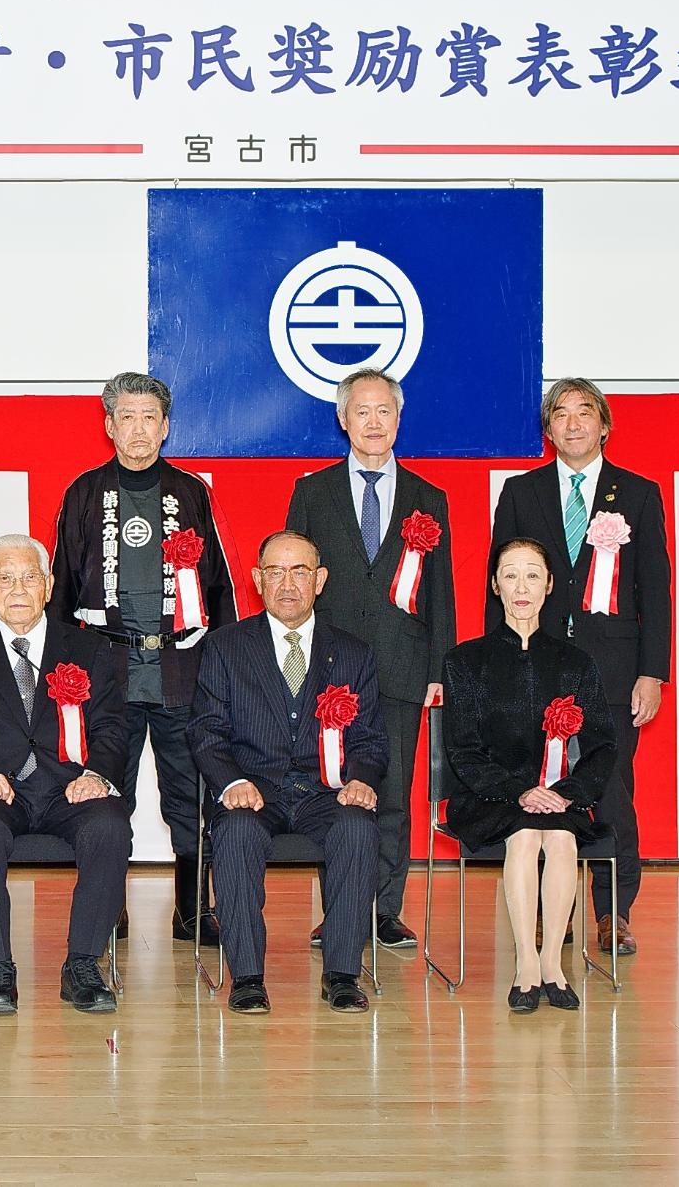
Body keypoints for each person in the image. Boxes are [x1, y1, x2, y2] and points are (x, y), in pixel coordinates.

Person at [489, 376, 670, 957]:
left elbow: (654, 591)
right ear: (547, 430)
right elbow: (499, 584)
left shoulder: (637, 494)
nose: (572, 423)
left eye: (584, 412)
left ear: (604, 425)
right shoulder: (521, 492)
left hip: (615, 670)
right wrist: (499, 664)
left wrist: (653, 672)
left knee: (611, 789)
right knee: (541, 786)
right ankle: (551, 910)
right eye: (559, 414)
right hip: (535, 666)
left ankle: (612, 914)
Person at [52, 371, 234, 943]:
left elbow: (219, 587)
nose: (137, 429)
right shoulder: (82, 493)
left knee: (190, 790)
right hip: (105, 672)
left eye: (148, 417)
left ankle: (191, 907)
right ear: (108, 426)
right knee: (106, 787)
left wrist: (226, 670)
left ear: (166, 426)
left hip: (181, 669)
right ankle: (109, 905)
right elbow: (60, 588)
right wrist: (59, 674)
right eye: (126, 417)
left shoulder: (191, 493)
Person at [285, 367, 454, 952]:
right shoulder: (313, 492)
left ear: (398, 418)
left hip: (405, 669)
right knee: (334, 788)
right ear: (343, 418)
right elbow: (292, 583)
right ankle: (339, 910)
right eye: (363, 411)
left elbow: (441, 594)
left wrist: (439, 670)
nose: (374, 421)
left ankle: (385, 909)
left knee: (393, 792)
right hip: (330, 670)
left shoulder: (429, 499)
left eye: (384, 410)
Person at [0, 535, 129, 1016]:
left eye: (30, 577)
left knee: (109, 826)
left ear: (48, 586)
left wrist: (97, 774)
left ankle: (82, 964)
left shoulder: (88, 647)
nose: (18, 588)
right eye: (6, 578)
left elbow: (113, 726)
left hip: (69, 788)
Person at [189, 531, 386, 1015]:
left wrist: (361, 778)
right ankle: (248, 977)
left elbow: (372, 739)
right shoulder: (225, 647)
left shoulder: (354, 652)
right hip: (255, 791)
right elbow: (206, 731)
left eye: (300, 571)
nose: (287, 583)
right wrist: (233, 783)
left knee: (359, 830)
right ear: (257, 580)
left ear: (320, 581)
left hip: (327, 792)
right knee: (234, 833)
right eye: (275, 572)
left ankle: (341, 973)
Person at [444, 537, 616, 1013]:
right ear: (495, 585)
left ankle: (553, 964)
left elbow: (602, 744)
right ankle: (525, 964)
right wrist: (519, 792)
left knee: (559, 838)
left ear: (549, 586)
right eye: (511, 574)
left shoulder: (576, 663)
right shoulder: (465, 661)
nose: (522, 586)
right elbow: (463, 749)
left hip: (560, 797)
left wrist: (568, 793)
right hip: (491, 796)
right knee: (524, 837)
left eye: (533, 574)